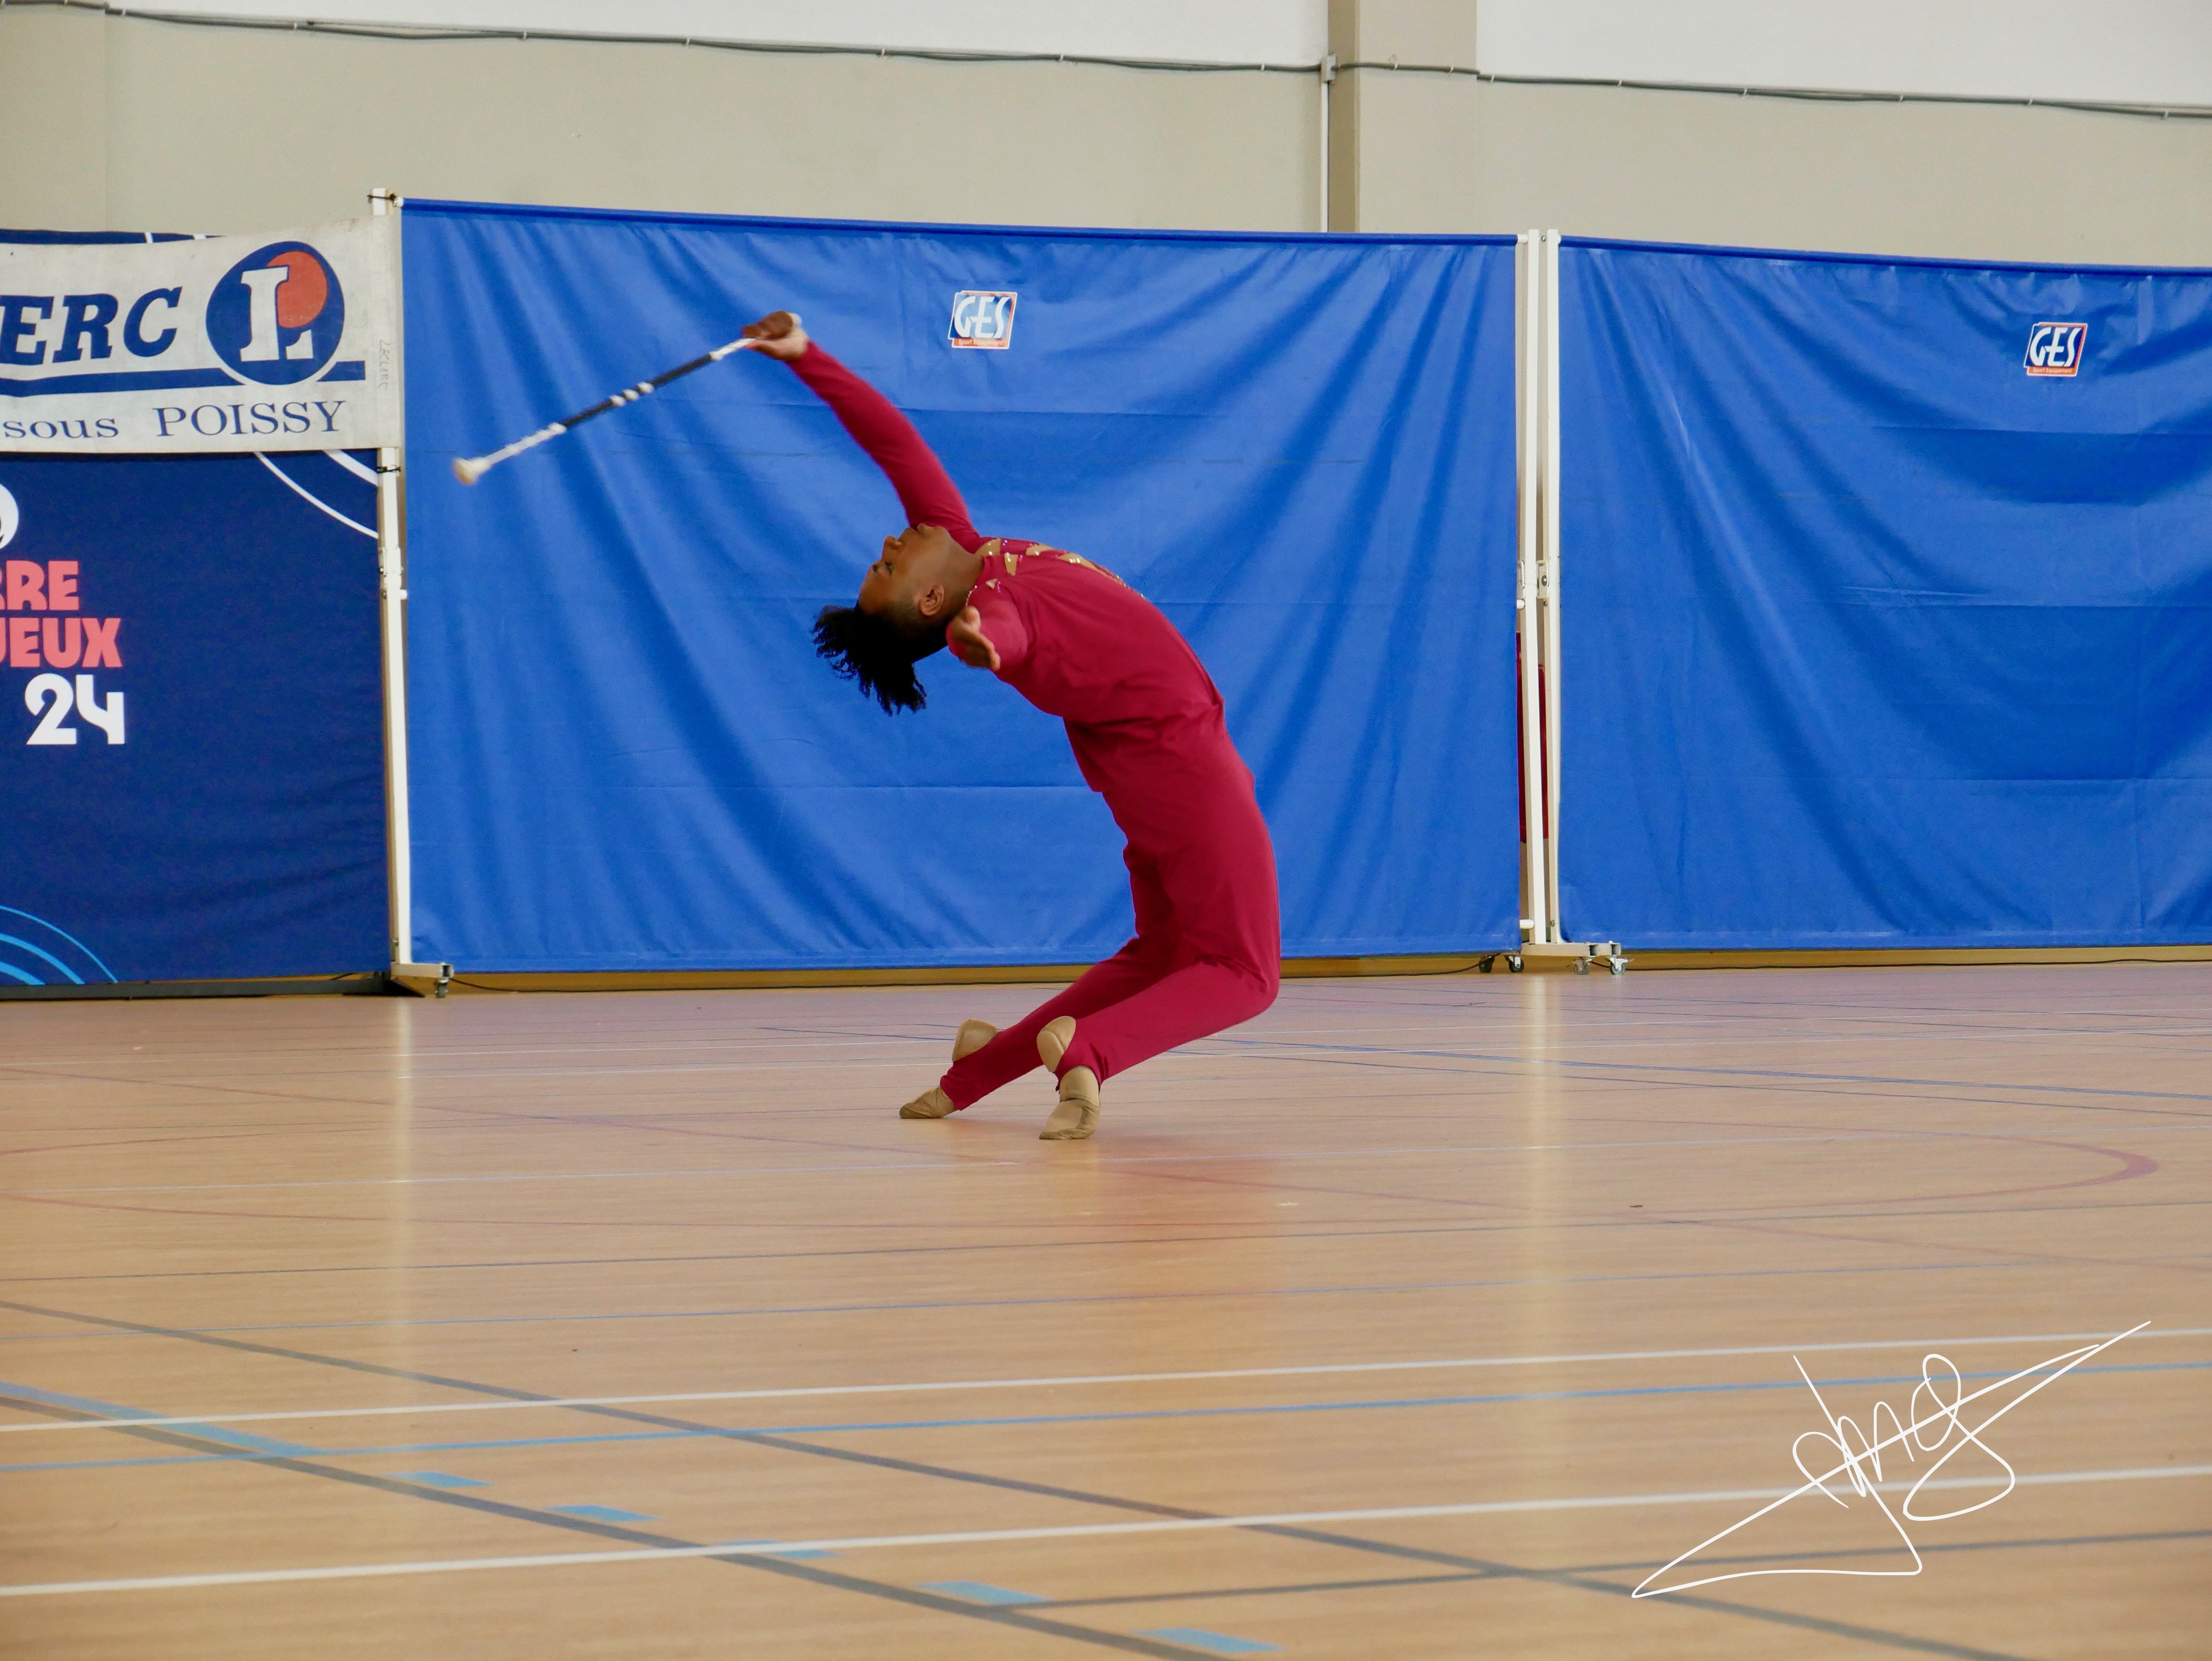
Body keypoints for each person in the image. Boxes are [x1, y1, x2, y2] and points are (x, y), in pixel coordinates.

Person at [743, 310, 1279, 1141]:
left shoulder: (959, 542)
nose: (891, 538)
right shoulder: (987, 600)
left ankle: (976, 1072)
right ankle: (1089, 1051)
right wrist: (983, 645)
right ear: (931, 599)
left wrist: (805, 355)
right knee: (1245, 973)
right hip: (1180, 760)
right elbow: (1008, 633)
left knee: (1165, 953)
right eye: (889, 564)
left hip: (1145, 772)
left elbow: (893, 443)